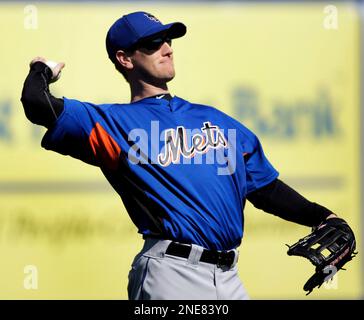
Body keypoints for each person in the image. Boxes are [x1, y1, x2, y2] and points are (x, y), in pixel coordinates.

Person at [21, 11, 338, 300]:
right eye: (153, 42)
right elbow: (37, 103)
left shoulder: (216, 120)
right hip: (171, 273)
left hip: (229, 278)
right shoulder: (110, 125)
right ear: (125, 58)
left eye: (168, 39)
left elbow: (265, 190)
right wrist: (41, 70)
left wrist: (323, 216)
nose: (167, 48)